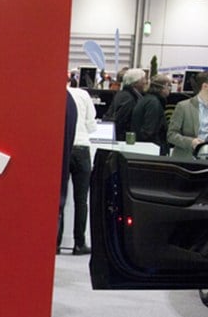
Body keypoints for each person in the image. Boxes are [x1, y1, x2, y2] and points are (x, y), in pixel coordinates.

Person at [60, 77, 97, 255]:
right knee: (81, 200)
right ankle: (79, 243)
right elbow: (91, 125)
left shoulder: (59, 95)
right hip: (82, 148)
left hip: (64, 147)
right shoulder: (84, 94)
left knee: (59, 197)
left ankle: (55, 242)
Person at [167, 70, 208, 160]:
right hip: (185, 159)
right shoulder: (183, 107)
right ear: (205, 86)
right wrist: (191, 142)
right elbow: (171, 135)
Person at [129, 73, 172, 152]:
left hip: (144, 146)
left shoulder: (147, 99)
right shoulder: (153, 103)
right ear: (162, 87)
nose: (170, 89)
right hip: (151, 149)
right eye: (168, 85)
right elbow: (149, 130)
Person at [106, 68, 146, 141]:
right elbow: (121, 120)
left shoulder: (122, 94)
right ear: (135, 82)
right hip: (125, 138)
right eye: (143, 79)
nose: (145, 82)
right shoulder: (129, 98)